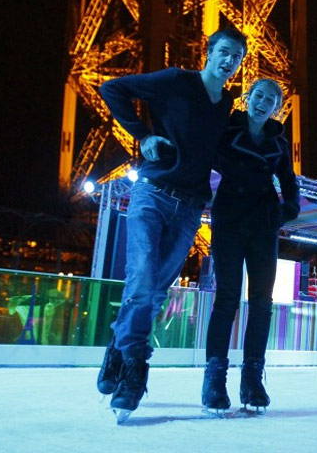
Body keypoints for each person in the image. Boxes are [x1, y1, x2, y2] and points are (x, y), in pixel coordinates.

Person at [96, 27, 247, 420]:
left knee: (155, 289)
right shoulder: (175, 81)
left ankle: (118, 344)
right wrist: (142, 135)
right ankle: (134, 369)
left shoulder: (225, 105)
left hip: (190, 207)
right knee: (143, 280)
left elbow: (222, 152)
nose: (230, 61)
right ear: (209, 52)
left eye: (237, 57)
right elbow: (112, 88)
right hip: (152, 192)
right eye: (225, 52)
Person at [201, 78, 300, 413]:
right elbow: (204, 153)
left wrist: (288, 209)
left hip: (263, 224)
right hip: (229, 219)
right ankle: (215, 379)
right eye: (258, 95)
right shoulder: (228, 127)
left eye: (271, 99)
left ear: (277, 107)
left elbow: (289, 179)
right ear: (248, 98)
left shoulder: (278, 140)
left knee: (262, 302)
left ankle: (252, 378)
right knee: (226, 298)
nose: (263, 102)